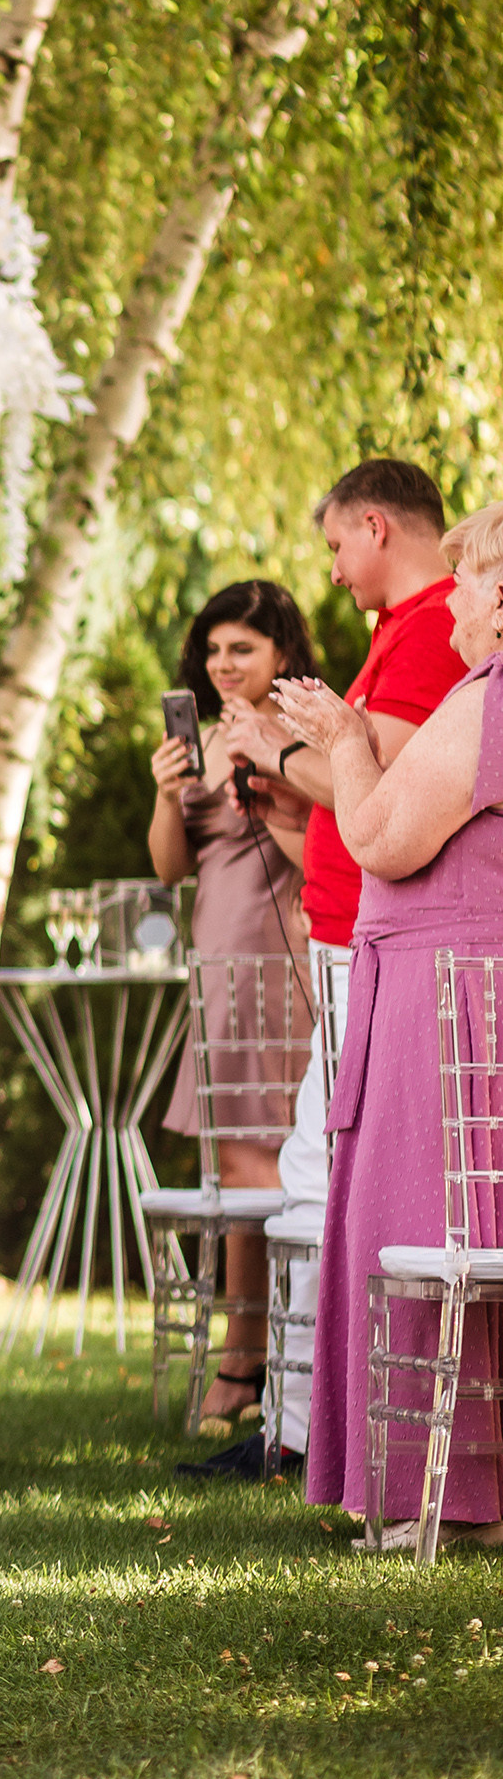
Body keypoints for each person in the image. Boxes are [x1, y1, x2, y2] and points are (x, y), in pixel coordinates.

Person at [214, 461, 464, 1466]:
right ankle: (299, 1421)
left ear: (374, 525)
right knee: (309, 1173)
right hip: (343, 932)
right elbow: (350, 779)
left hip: (374, 942)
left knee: (315, 1175)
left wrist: (268, 749)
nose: (329, 569)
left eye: (332, 545)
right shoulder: (396, 633)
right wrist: (291, 778)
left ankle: (302, 1428)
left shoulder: (423, 629)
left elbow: (384, 778)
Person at [273, 501, 503, 1548]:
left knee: (423, 1238)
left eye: (462, 580)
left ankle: (439, 1503)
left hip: (444, 1007)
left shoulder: (484, 698)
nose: (448, 600)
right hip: (445, 987)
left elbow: (377, 837)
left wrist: (344, 736)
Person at [147, 580, 316, 1431]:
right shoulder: (202, 738)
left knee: (257, 1164)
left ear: (282, 655)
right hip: (212, 961)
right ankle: (251, 1358)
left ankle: (253, 1364)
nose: (224, 665)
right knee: (225, 1163)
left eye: (242, 649)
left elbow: (323, 847)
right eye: (214, 650)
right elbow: (170, 867)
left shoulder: (297, 739)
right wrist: (165, 788)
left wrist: (261, 777)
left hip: (267, 958)